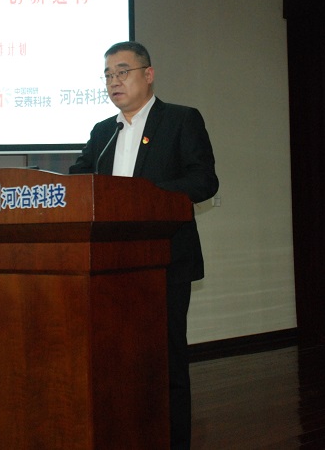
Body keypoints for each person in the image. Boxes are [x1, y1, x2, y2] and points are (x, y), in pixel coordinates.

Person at [69, 41, 219, 449]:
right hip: (109, 266)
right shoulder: (103, 132)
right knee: (116, 359)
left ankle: (173, 441)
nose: (113, 82)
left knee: (165, 361)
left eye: (122, 72)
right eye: (107, 75)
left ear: (148, 75)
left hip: (165, 262)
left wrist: (143, 196)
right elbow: (79, 180)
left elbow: (204, 180)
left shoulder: (181, 120)